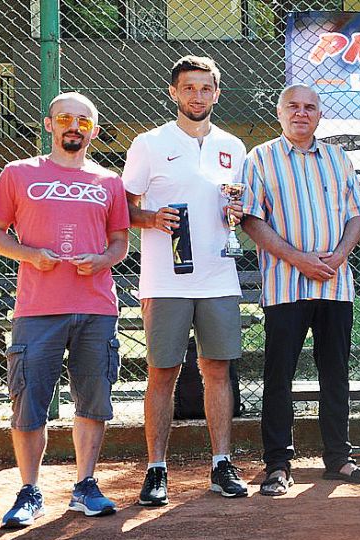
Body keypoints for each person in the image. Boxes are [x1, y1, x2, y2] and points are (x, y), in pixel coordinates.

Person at [0, 92, 129, 527]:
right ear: (49, 124)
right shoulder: (18, 173)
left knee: (93, 399)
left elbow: (120, 242)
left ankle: (85, 486)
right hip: (37, 308)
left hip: (96, 307)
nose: (74, 126)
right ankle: (29, 491)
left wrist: (102, 260)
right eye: (66, 119)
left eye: (84, 121)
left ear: (94, 130)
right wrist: (31, 255)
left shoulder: (109, 180)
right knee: (29, 401)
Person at [122, 55, 248, 505]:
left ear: (217, 93)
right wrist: (151, 218)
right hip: (166, 281)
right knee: (163, 372)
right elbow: (123, 209)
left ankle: (222, 463)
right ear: (174, 92)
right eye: (189, 88)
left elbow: (238, 206)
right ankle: (156, 469)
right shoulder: (149, 143)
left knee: (218, 371)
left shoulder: (234, 146)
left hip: (219, 278)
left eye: (205, 88)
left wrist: (237, 213)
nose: (197, 96)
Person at [241, 84, 360, 496]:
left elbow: (358, 213)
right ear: (279, 113)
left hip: (335, 284)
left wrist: (338, 256)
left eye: (310, 107)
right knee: (278, 375)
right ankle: (278, 464)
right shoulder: (259, 158)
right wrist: (299, 259)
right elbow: (250, 219)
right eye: (293, 107)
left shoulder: (338, 158)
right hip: (285, 285)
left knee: (335, 373)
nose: (301, 113)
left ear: (320, 115)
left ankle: (338, 459)